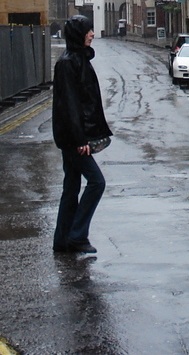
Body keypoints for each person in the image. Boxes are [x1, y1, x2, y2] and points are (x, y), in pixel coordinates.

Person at [52, 14, 112, 255]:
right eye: (88, 30)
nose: (92, 34)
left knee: (71, 188)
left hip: (73, 137)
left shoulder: (77, 59)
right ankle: (77, 236)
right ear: (79, 34)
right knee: (97, 182)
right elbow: (70, 106)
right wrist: (80, 140)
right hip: (74, 139)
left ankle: (62, 240)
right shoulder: (68, 63)